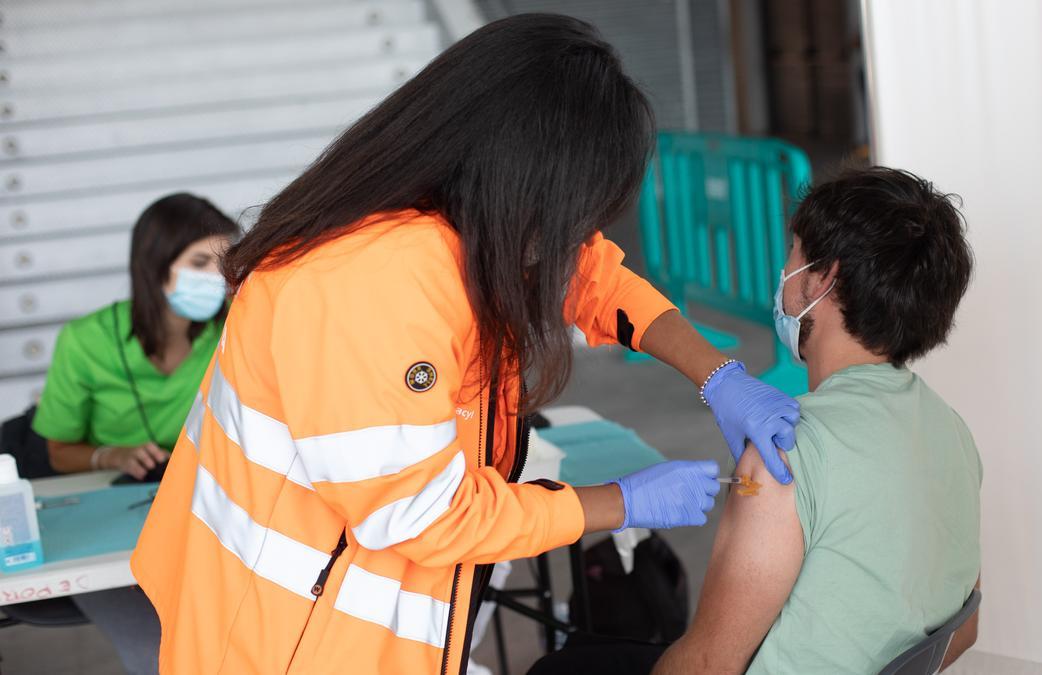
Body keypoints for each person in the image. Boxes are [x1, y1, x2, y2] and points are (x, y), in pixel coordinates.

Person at [131, 14, 800, 675]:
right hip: (278, 647)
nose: (579, 236)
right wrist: (621, 502)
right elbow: (422, 513)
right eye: (576, 210)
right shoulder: (376, 283)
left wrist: (717, 375)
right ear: (523, 180)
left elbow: (592, 276)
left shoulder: (452, 211)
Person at [532, 167, 982, 675]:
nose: (784, 270)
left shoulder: (781, 453)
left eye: (793, 252)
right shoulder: (953, 431)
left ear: (822, 277)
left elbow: (708, 664)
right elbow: (964, 628)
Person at [31, 192, 238, 675]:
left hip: (207, 518)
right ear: (155, 264)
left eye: (226, 260)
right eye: (200, 261)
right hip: (112, 525)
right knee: (157, 654)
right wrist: (112, 456)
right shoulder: (86, 341)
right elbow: (58, 452)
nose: (218, 275)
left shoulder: (236, 330)